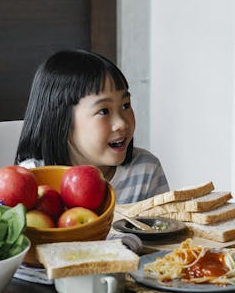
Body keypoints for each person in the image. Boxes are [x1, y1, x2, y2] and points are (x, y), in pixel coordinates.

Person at [16, 49, 169, 204]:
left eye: (125, 105)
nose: (121, 123)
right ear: (62, 120)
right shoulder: (32, 179)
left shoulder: (146, 170)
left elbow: (166, 227)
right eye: (104, 111)